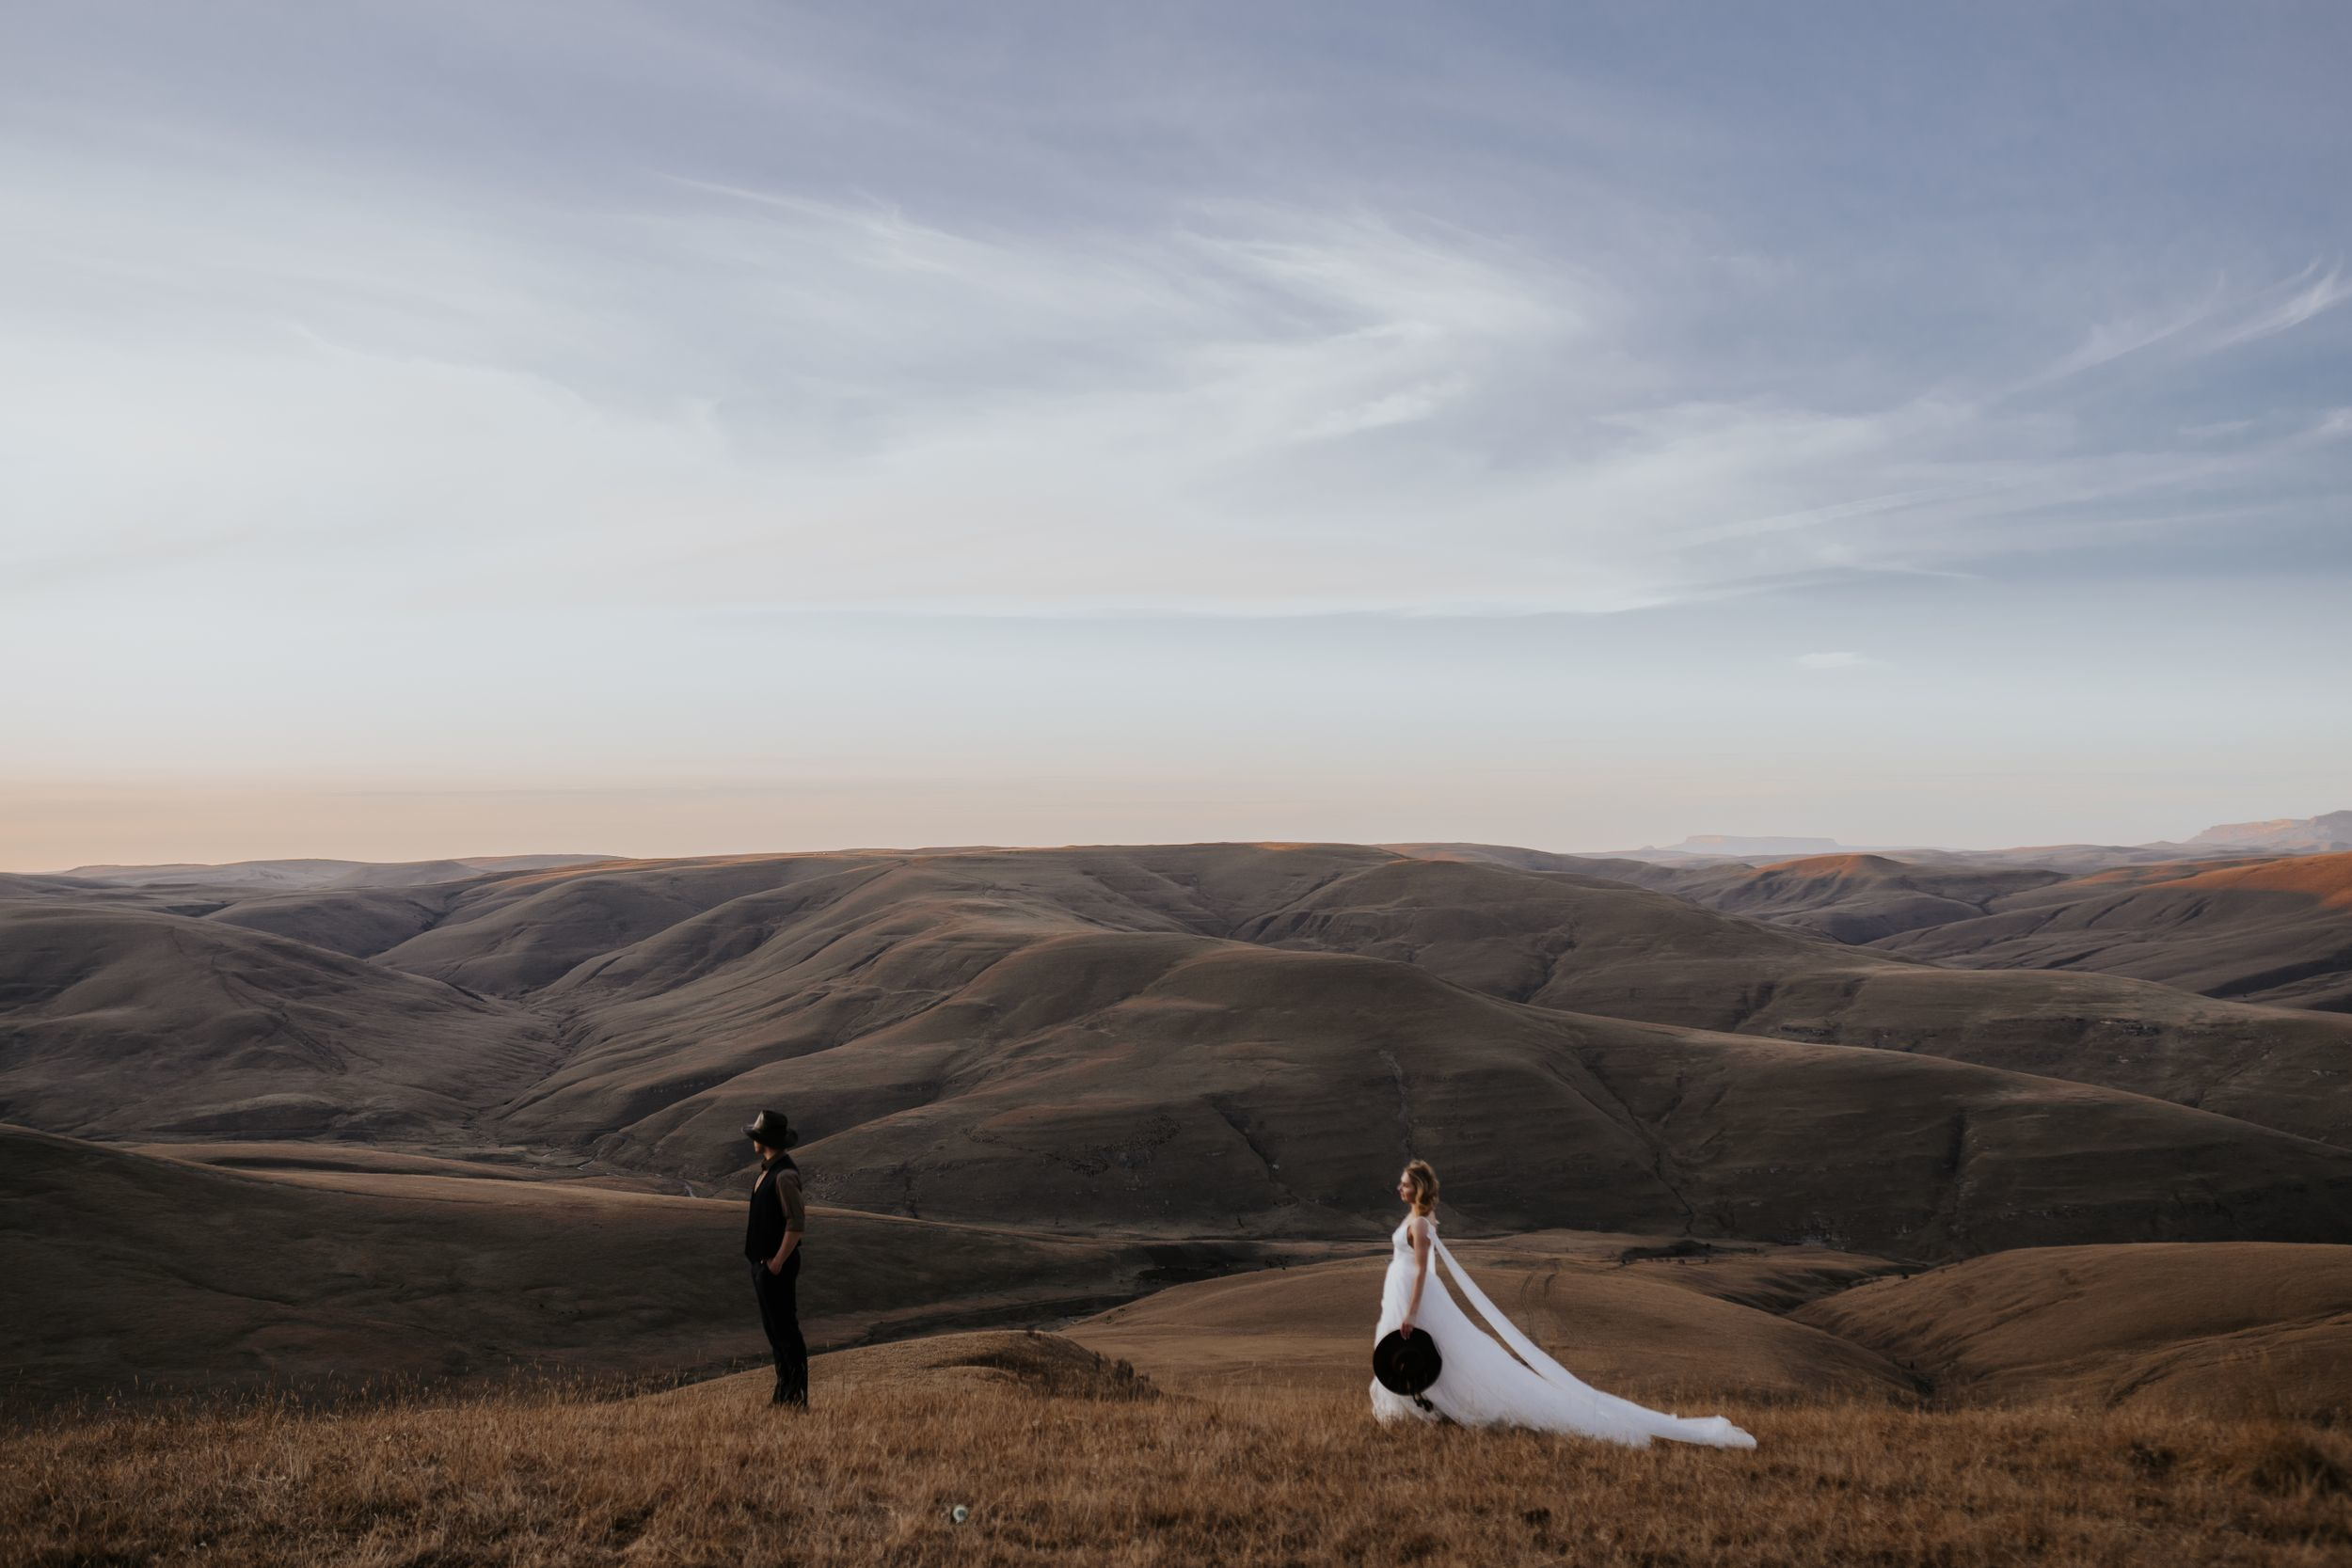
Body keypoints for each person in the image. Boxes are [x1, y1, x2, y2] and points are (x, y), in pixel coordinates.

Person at [1370, 1159, 1755, 1449]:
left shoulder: (1420, 1224)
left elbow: (1422, 1271)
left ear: (1416, 1188)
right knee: (1424, 1354)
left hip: (1415, 1295)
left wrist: (1411, 1312)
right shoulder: (1419, 1217)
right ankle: (1427, 1409)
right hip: (1401, 1289)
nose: (1398, 1188)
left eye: (1404, 1185)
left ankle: (1444, 1408)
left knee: (1437, 1353)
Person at [743, 1109, 807, 1407]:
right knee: (776, 1333)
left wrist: (778, 1261)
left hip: (774, 1265)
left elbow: (795, 1224)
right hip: (763, 1265)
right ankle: (784, 1395)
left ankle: (794, 1397)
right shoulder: (770, 1170)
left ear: (764, 1140)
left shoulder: (784, 1176)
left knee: (785, 1334)